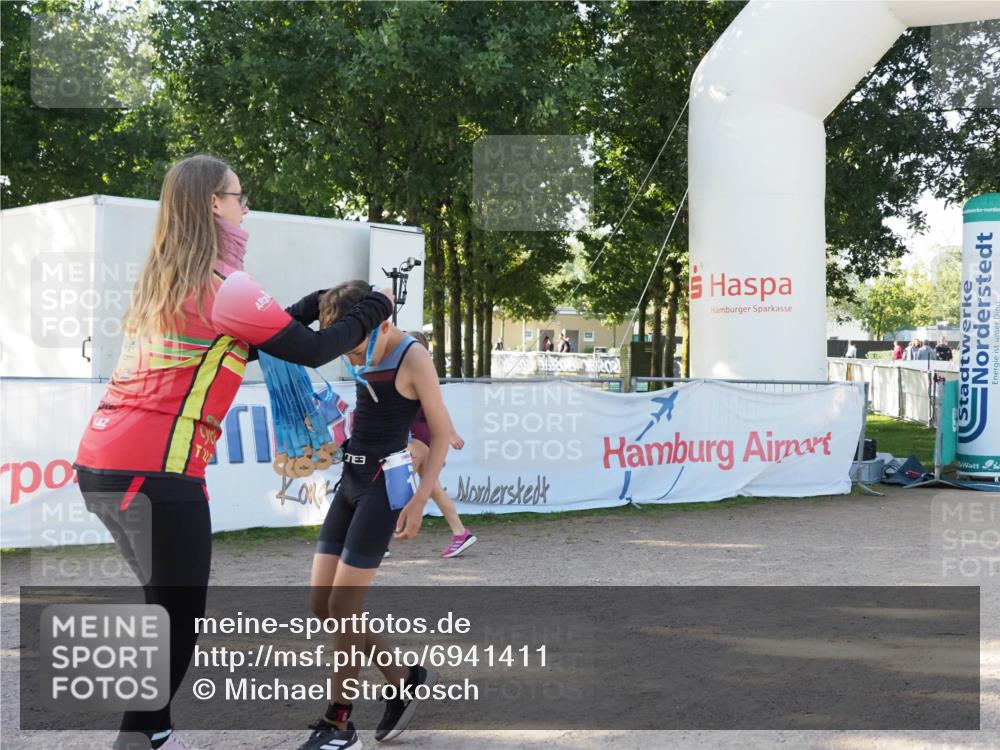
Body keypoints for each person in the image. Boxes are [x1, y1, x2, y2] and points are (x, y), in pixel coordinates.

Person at [72, 155, 393, 750]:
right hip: (157, 473)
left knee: (159, 607)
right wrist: (374, 307)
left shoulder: (167, 282)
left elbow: (233, 349)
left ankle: (154, 725)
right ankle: (139, 735)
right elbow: (315, 350)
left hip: (100, 468)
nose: (246, 208)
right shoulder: (229, 285)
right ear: (213, 205)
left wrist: (297, 308)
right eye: (239, 197)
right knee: (176, 622)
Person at [302, 281, 455, 750]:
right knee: (321, 606)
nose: (350, 358)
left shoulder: (413, 357)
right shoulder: (359, 342)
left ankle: (340, 722)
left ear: (383, 322)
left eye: (355, 346)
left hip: (382, 491)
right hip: (349, 481)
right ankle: (404, 677)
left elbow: (443, 436)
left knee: (343, 607)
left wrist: (418, 501)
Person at [406, 331, 478, 558]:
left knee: (391, 482)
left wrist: (451, 434)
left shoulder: (419, 372)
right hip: (415, 436)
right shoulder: (411, 371)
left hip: (419, 437)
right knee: (433, 487)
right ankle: (460, 533)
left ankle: (374, 541)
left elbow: (439, 407)